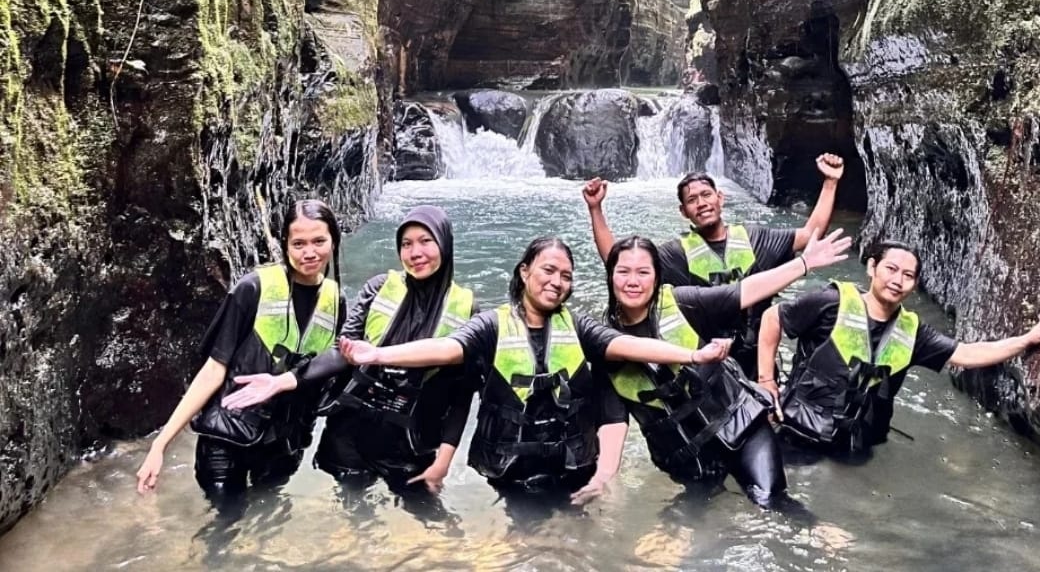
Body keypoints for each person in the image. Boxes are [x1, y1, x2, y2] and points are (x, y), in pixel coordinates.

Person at [338, 236, 733, 505]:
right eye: (548, 271)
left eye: (565, 275)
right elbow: (445, 348)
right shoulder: (491, 324)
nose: (556, 281)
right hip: (510, 469)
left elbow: (626, 344)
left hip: (572, 465)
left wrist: (693, 356)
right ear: (525, 272)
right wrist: (377, 355)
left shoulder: (578, 326)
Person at [221, 206, 476, 497]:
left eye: (425, 241)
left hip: (411, 442)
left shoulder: (467, 310)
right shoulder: (379, 288)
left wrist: (443, 463)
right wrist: (282, 381)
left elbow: (461, 396)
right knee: (354, 521)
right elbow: (340, 351)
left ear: (444, 242)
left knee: (426, 524)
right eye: (406, 244)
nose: (415, 252)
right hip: (352, 433)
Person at [599, 227, 852, 506]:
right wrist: (603, 478)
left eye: (643, 272)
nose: (633, 281)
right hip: (687, 456)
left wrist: (804, 263)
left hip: (742, 425)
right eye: (623, 272)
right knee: (689, 529)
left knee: (772, 504)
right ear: (610, 275)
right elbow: (612, 420)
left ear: (657, 277)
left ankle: (816, 533)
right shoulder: (603, 343)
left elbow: (741, 292)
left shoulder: (683, 302)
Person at [756, 240, 1040, 453]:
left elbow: (967, 354)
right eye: (891, 269)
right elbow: (772, 318)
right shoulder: (830, 302)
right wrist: (766, 382)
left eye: (908, 275)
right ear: (872, 268)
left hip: (857, 441)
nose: (897, 280)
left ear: (914, 285)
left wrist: (1025, 340)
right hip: (798, 429)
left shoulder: (913, 333)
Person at [135, 199, 346, 499]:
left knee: (265, 526)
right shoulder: (253, 288)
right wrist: (160, 445)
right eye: (298, 243)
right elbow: (212, 370)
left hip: (284, 445)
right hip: (226, 439)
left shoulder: (336, 302)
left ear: (334, 240)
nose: (309, 252)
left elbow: (329, 368)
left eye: (318, 241)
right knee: (223, 530)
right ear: (284, 244)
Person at [584, 153, 844, 377]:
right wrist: (596, 209)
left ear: (720, 198)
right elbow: (617, 263)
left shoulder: (757, 239)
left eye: (706, 195)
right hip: (707, 360)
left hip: (756, 358)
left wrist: (830, 183)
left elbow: (810, 236)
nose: (701, 203)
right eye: (692, 200)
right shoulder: (676, 254)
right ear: (683, 211)